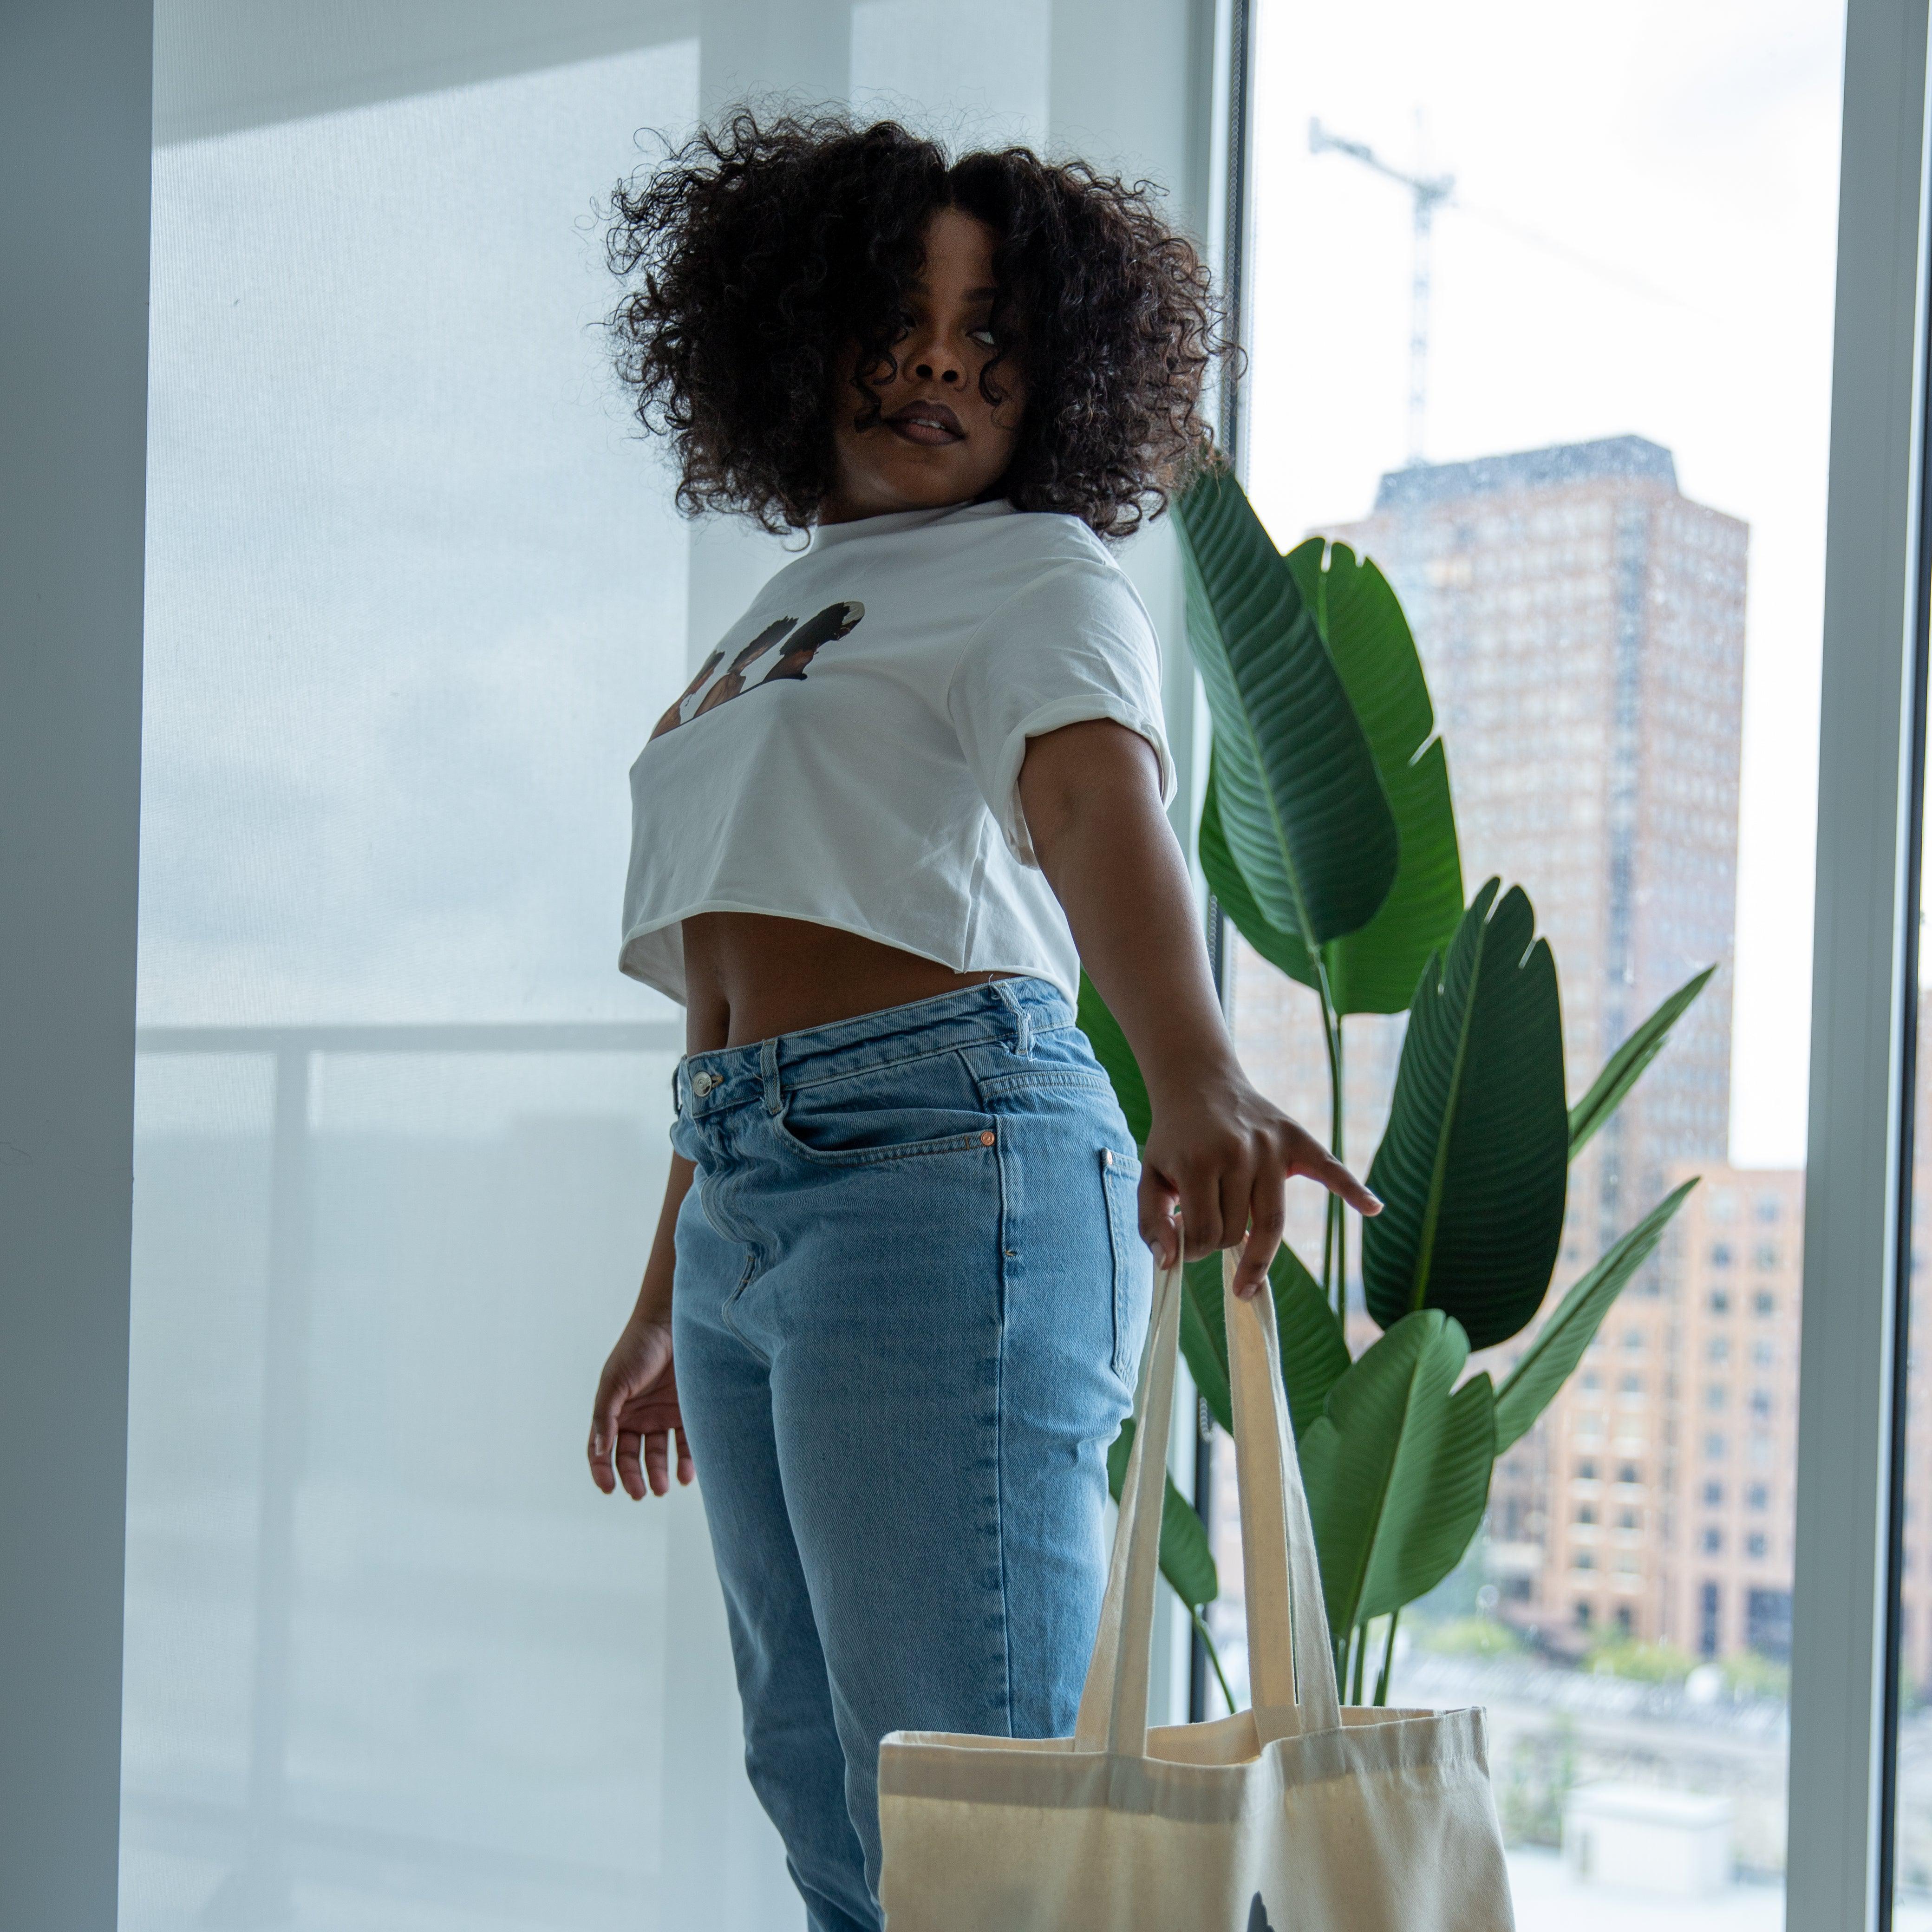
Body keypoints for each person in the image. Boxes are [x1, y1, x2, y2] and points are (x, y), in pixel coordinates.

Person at [587, 111, 1378, 1932]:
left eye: (990, 334)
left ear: (1058, 388)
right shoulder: (781, 615)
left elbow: (1092, 804)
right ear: (794, 333)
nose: (940, 357)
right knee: (823, 1780)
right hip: (748, 1188)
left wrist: (1193, 1070)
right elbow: (737, 961)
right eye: (898, 314)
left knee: (988, 1819)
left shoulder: (1035, 578)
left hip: (936, 1164)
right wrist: (660, 1289)